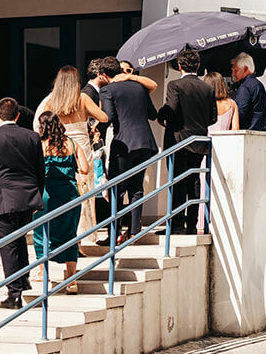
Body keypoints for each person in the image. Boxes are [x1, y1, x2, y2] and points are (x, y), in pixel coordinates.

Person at [0, 98, 45, 310]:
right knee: (19, 239)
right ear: (17, 115)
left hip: (4, 197)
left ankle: (14, 294)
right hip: (28, 197)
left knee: (8, 246)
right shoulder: (32, 137)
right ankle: (22, 280)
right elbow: (40, 170)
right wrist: (37, 194)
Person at [34, 65, 106, 234]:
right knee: (84, 191)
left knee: (63, 190)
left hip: (61, 146)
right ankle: (82, 235)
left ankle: (63, 232)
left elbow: (42, 123)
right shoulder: (83, 98)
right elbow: (103, 117)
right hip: (81, 148)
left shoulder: (51, 101)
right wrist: (90, 114)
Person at [157, 49, 218, 234]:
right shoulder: (208, 88)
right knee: (194, 182)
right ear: (198, 66)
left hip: (178, 141)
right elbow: (213, 118)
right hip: (199, 142)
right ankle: (192, 224)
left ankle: (176, 225)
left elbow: (171, 108)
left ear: (180, 66)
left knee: (177, 182)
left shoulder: (175, 85)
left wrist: (161, 115)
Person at [98, 57, 158, 245]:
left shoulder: (107, 90)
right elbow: (153, 114)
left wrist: (95, 125)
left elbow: (108, 117)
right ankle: (134, 232)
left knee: (117, 189)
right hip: (145, 142)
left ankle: (114, 234)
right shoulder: (139, 87)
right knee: (136, 187)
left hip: (123, 143)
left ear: (104, 75)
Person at [32, 111, 89, 294]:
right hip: (69, 195)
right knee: (69, 233)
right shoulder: (72, 143)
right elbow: (85, 169)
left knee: (41, 232)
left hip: (47, 194)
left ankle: (43, 272)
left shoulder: (41, 145)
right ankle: (71, 280)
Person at [198, 73, 241, 232]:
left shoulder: (203, 104)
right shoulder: (232, 104)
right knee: (221, 187)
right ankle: (219, 222)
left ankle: (201, 221)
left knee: (203, 185)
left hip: (205, 149)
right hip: (223, 150)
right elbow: (235, 130)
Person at [231, 52, 266, 131]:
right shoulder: (258, 84)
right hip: (258, 131)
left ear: (245, 69)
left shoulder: (245, 86)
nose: (233, 74)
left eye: (236, 70)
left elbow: (239, 112)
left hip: (247, 132)